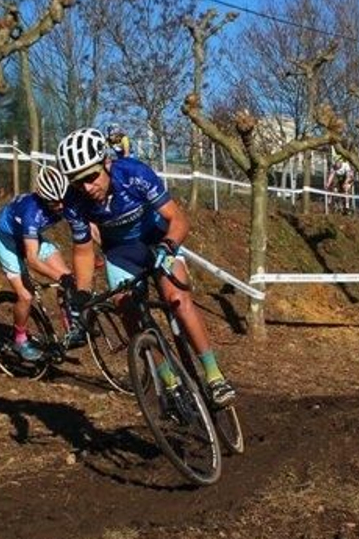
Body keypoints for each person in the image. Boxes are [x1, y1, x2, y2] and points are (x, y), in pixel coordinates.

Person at [55, 126, 237, 407]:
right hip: (120, 254)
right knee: (127, 310)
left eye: (91, 177)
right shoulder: (74, 202)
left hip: (157, 240)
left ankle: (214, 376)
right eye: (78, 183)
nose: (87, 188)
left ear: (106, 162)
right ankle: (170, 384)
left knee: (177, 299)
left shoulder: (134, 174)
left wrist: (168, 246)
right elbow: (82, 250)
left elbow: (178, 220)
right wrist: (82, 292)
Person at [0, 165, 74, 362]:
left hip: (31, 237)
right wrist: (60, 278)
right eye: (54, 202)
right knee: (26, 296)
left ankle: (70, 326)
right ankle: (19, 340)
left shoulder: (64, 200)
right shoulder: (30, 212)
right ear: (43, 198)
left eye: (63, 200)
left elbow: (88, 225)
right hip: (6, 242)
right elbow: (33, 260)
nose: (61, 206)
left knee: (68, 276)